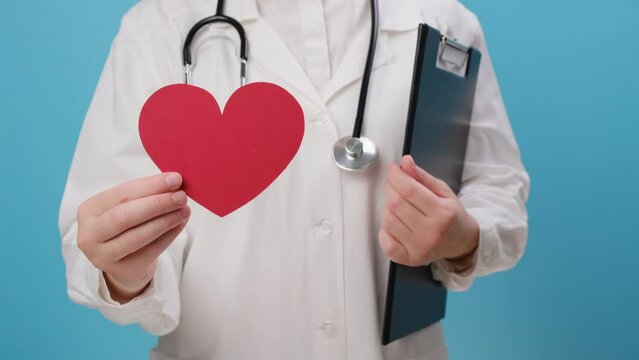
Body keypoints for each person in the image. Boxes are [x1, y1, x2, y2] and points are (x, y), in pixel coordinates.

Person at [59, 0, 530, 359]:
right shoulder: (161, 23)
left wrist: (464, 237)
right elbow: (95, 231)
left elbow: (499, 191)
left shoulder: (441, 19)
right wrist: (123, 271)